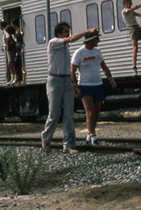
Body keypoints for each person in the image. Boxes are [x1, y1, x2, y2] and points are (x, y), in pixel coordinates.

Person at [40, 22, 99, 155]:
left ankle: (68, 144)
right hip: (54, 80)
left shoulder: (66, 48)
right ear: (59, 34)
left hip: (66, 81)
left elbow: (69, 67)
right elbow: (72, 39)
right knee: (55, 113)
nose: (68, 34)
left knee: (68, 114)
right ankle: (46, 138)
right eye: (66, 32)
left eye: (68, 31)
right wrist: (87, 30)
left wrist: (74, 85)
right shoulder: (53, 42)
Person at [71, 31, 116, 146]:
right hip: (85, 86)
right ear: (90, 40)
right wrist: (75, 86)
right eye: (97, 39)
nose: (99, 41)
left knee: (96, 113)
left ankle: (89, 133)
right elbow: (72, 70)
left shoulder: (98, 52)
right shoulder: (79, 53)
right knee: (90, 113)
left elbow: (104, 67)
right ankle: (93, 136)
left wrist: (110, 79)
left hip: (98, 85)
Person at [121, 0, 141, 75]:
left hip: (137, 27)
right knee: (135, 48)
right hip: (132, 28)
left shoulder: (132, 12)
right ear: (124, 5)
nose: (129, 5)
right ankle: (134, 68)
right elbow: (130, 9)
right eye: (127, 4)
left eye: (129, 3)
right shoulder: (124, 11)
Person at [1, 20, 17, 85]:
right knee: (9, 64)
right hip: (8, 49)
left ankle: (15, 78)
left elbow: (9, 39)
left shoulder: (11, 36)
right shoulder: (8, 33)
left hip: (10, 50)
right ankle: (12, 78)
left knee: (12, 63)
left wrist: (8, 46)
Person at [11, 19, 27, 84]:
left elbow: (23, 39)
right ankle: (20, 78)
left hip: (20, 48)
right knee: (19, 64)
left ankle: (23, 79)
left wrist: (23, 48)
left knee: (22, 64)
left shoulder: (20, 31)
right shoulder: (16, 31)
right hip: (17, 49)